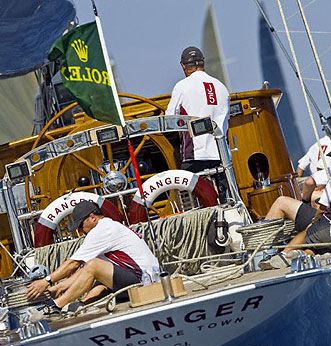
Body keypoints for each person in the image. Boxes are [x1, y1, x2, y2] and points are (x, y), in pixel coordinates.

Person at [26, 201, 160, 311]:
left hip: (145, 281)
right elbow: (83, 271)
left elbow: (73, 264)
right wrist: (58, 287)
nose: (80, 231)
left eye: (80, 226)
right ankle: (81, 304)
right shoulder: (110, 225)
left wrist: (46, 281)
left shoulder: (103, 229)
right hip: (142, 277)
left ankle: (56, 306)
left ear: (92, 218)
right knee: (94, 274)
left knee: (93, 265)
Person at [166, 46, 230, 198]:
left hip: (195, 156)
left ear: (183, 66)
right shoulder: (221, 87)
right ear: (203, 63)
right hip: (221, 155)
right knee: (224, 198)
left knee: (194, 200)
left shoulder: (182, 86)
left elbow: (169, 119)